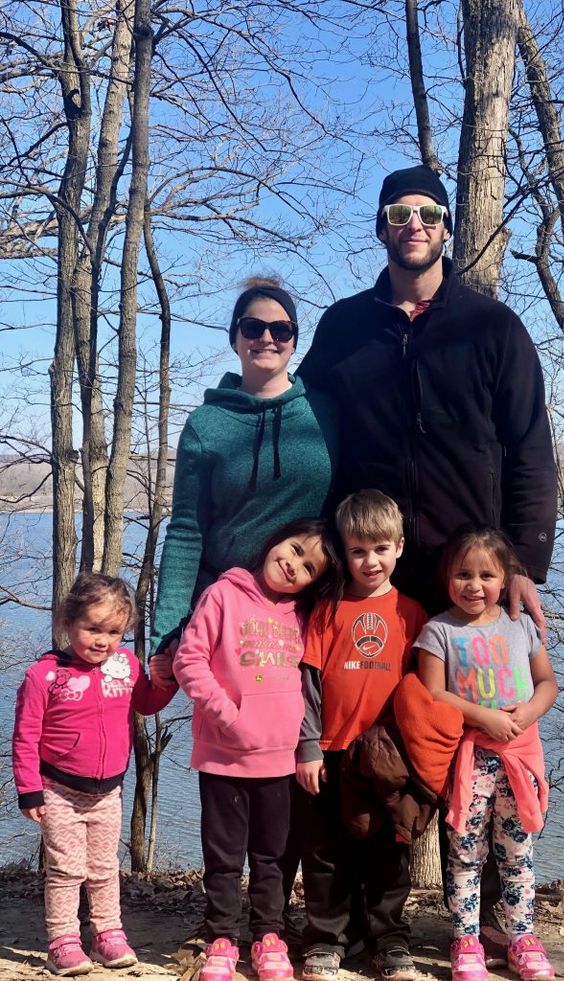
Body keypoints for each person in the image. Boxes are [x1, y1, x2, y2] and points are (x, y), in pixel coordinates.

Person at [297, 163, 558, 962]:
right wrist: (307, 544)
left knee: (460, 754)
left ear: (448, 227)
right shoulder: (344, 327)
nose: (413, 224)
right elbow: (310, 439)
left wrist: (522, 562)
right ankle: (361, 927)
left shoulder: (491, 327)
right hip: (367, 569)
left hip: (461, 581)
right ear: (381, 227)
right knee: (362, 754)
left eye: (428, 212)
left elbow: (529, 448)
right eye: (398, 212)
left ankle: (470, 928)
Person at [172, 517, 343, 981]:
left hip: (280, 760)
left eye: (308, 567)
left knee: (271, 857)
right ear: (274, 540)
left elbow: (310, 682)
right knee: (224, 858)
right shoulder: (223, 595)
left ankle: (270, 936)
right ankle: (222, 938)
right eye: (292, 549)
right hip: (224, 756)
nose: (293, 565)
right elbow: (189, 660)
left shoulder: (302, 616)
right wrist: (229, 717)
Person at [150, 274, 338, 670]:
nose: (267, 337)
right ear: (234, 337)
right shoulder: (207, 423)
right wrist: (167, 630)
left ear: (294, 341)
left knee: (302, 730)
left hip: (307, 612)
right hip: (225, 611)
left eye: (281, 329)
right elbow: (187, 531)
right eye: (253, 327)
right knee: (227, 727)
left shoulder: (326, 414)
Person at [12, 573, 177, 977]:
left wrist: (165, 679)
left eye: (114, 631)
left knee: (104, 867)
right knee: (67, 869)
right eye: (92, 628)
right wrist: (29, 789)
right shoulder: (45, 676)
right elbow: (26, 734)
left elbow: (147, 703)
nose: (102, 640)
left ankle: (108, 936)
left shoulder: (126, 665)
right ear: (68, 624)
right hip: (58, 789)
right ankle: (62, 942)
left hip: (109, 791)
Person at [416, 528, 558, 981]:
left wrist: (526, 713)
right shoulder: (438, 630)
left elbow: (547, 684)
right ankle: (466, 939)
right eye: (463, 574)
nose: (473, 585)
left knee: (518, 853)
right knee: (464, 853)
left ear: (505, 578)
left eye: (486, 575)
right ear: (447, 578)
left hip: (519, 758)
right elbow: (432, 693)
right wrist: (484, 717)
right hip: (469, 760)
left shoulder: (520, 625)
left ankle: (522, 937)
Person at [296, 490, 426, 981]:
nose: (370, 561)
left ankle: (388, 939)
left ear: (399, 547)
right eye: (357, 551)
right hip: (332, 750)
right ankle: (329, 939)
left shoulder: (411, 613)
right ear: (343, 553)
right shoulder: (327, 610)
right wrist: (307, 747)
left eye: (380, 548)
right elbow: (308, 683)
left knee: (387, 853)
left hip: (390, 758)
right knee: (327, 853)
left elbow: (426, 691)